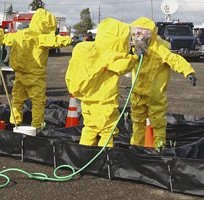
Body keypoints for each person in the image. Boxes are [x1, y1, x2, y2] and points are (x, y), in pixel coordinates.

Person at [65, 18, 138, 147]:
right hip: (104, 102)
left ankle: (84, 155)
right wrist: (136, 56)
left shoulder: (86, 48)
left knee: (89, 128)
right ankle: (104, 158)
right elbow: (125, 66)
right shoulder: (110, 55)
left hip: (87, 100)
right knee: (108, 131)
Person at [129, 17, 197, 149]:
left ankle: (159, 148)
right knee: (137, 123)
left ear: (151, 34)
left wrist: (189, 72)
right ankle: (136, 148)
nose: (138, 36)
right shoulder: (133, 51)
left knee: (158, 124)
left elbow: (175, 60)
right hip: (138, 95)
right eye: (135, 33)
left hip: (156, 97)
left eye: (142, 33)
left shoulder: (160, 50)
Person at [3, 8, 71, 128]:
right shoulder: (41, 37)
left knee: (17, 100)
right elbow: (56, 40)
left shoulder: (19, 34)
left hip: (19, 75)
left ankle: (14, 122)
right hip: (36, 76)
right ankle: (36, 126)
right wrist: (68, 39)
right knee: (38, 102)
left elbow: (5, 39)